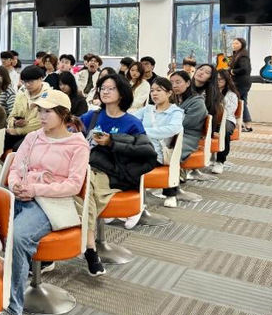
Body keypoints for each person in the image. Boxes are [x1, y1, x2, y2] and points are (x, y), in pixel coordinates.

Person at [0, 89, 88, 315]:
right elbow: (16, 167)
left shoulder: (77, 144)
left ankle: (11, 311)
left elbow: (73, 185)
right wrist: (15, 184)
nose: (42, 115)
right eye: (40, 110)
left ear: (63, 114)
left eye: (48, 111)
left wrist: (35, 189)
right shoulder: (33, 137)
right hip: (20, 194)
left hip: (49, 203)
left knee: (18, 237)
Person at [80, 73, 150, 277]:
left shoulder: (132, 123)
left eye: (111, 88)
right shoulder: (92, 116)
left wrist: (112, 142)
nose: (105, 92)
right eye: (102, 88)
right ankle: (87, 247)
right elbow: (72, 132)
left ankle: (89, 249)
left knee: (85, 189)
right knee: (80, 188)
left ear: (122, 93)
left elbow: (143, 153)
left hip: (113, 173)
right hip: (87, 167)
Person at [130, 78, 185, 226]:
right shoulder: (147, 109)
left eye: (159, 90)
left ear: (169, 93)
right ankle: (126, 203)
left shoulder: (175, 112)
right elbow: (131, 121)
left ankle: (137, 205)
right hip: (140, 148)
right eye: (152, 90)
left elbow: (174, 129)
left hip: (157, 153)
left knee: (128, 164)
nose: (154, 94)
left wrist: (144, 132)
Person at [161, 71, 207, 206]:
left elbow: (186, 122)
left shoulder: (197, 102)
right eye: (172, 82)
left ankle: (171, 193)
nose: (174, 85)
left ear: (187, 83)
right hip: (171, 134)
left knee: (171, 155)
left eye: (178, 82)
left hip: (187, 136)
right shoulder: (174, 99)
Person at [5, 66, 51, 151]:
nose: (27, 85)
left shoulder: (48, 95)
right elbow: (12, 115)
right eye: (25, 81)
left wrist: (18, 131)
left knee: (18, 147)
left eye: (31, 81)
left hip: (38, 134)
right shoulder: (21, 94)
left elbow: (41, 122)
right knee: (1, 138)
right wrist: (15, 122)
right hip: (19, 130)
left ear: (40, 79)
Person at [213, 69, 240, 174]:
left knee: (225, 129)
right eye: (216, 79)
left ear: (226, 80)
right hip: (211, 118)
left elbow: (229, 111)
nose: (218, 82)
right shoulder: (209, 91)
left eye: (221, 80)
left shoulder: (231, 94)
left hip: (227, 119)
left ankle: (220, 161)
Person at [192, 63, 224, 132]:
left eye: (207, 72)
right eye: (200, 69)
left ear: (210, 78)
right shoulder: (186, 88)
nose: (201, 73)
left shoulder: (210, 95)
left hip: (198, 127)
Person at [229, 37, 253, 131]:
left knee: (239, 102)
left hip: (241, 83)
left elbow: (244, 69)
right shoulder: (238, 54)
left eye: (237, 43)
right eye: (233, 43)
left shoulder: (243, 56)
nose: (234, 45)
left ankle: (246, 125)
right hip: (241, 82)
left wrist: (233, 71)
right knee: (241, 102)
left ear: (242, 45)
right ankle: (244, 124)